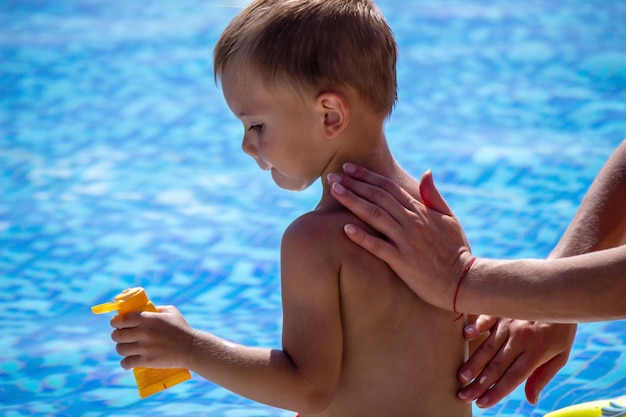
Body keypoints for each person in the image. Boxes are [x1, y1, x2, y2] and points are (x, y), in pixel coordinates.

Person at [110, 0, 475, 415]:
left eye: (256, 125)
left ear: (330, 115)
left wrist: (189, 347)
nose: (247, 145)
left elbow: (307, 388)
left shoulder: (314, 241)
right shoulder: (434, 219)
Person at [327, 138, 626, 322]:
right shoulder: (421, 218)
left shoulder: (311, 240)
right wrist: (556, 299)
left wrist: (464, 279)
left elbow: (313, 389)